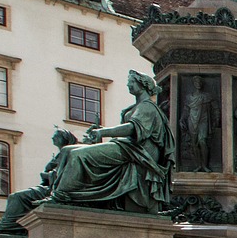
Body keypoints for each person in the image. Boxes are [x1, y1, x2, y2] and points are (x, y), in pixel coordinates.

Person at [47, 70, 176, 213]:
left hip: (139, 153)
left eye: (131, 81)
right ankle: (59, 192)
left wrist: (103, 132)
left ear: (142, 85)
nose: (128, 84)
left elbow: (132, 128)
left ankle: (63, 196)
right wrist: (102, 131)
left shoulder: (148, 107)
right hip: (128, 147)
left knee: (78, 155)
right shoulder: (136, 107)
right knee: (66, 150)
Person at [0, 128, 77, 238]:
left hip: (55, 189)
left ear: (63, 138)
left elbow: (63, 174)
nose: (52, 138)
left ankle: (3, 228)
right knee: (16, 197)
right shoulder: (60, 155)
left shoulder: (70, 153)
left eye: (56, 136)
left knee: (16, 197)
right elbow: (51, 174)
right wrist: (47, 174)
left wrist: (47, 174)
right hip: (49, 187)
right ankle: (10, 228)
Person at [182, 75, 217, 172]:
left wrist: (216, 119)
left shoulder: (206, 96)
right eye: (196, 82)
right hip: (192, 120)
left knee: (202, 141)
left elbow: (215, 108)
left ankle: (204, 165)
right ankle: (197, 165)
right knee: (194, 143)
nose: (198, 84)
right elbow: (186, 109)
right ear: (194, 84)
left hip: (203, 120)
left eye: (200, 82)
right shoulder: (189, 97)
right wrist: (182, 119)